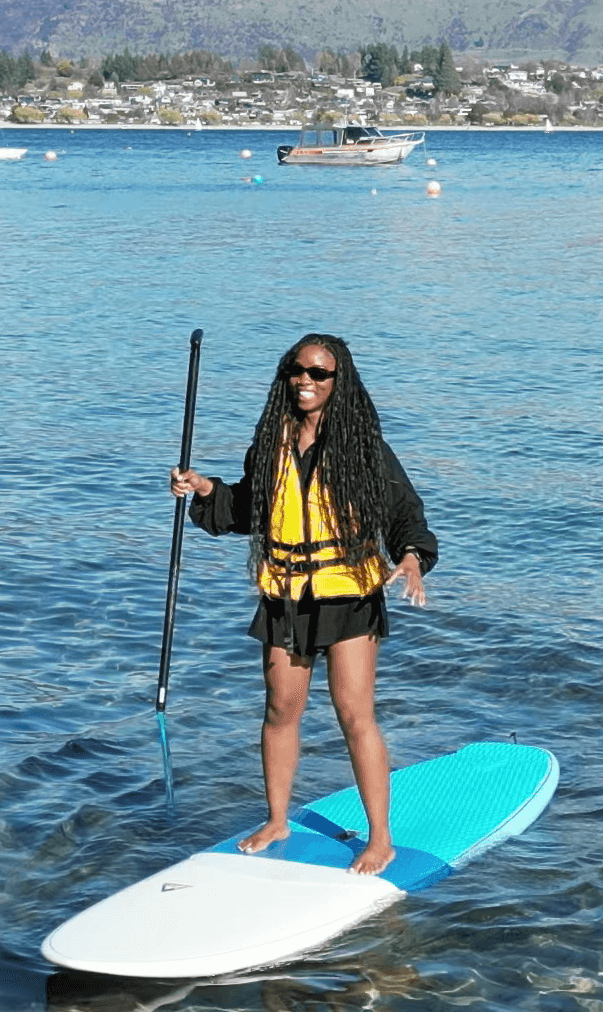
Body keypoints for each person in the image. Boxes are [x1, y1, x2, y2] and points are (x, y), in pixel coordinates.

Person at [170, 334, 437, 876]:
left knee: (354, 715)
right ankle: (276, 820)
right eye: (297, 371)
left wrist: (410, 558)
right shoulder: (271, 442)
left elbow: (405, 514)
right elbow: (248, 509)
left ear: (339, 382)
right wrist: (204, 490)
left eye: (319, 373)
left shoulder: (364, 449)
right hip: (287, 596)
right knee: (279, 710)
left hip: (350, 596)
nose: (306, 381)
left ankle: (380, 839)